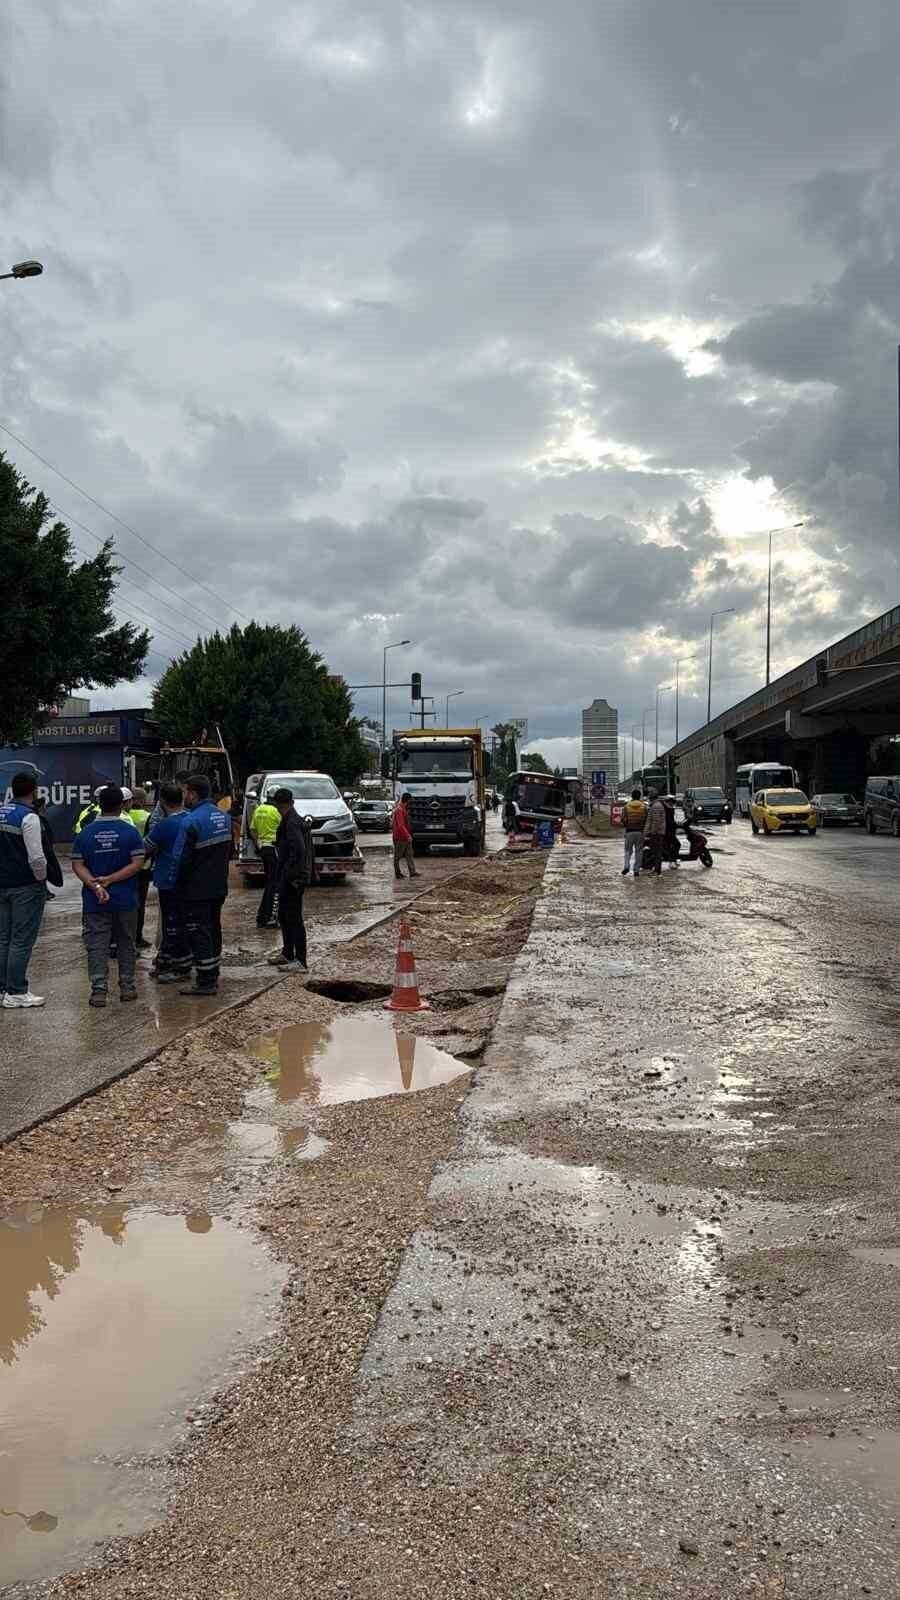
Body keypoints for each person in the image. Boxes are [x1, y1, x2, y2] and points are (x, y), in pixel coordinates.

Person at [71, 785, 146, 1008]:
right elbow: (138, 863)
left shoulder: (86, 833)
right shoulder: (130, 832)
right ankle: (127, 987)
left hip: (95, 900)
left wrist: (95, 885)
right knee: (126, 942)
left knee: (97, 944)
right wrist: (111, 879)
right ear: (122, 805)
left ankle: (99, 991)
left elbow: (77, 865)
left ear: (99, 804)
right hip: (125, 899)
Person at [171, 775, 232, 996]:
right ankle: (213, 972)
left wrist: (176, 885)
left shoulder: (190, 821)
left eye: (186, 792)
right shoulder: (224, 817)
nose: (184, 796)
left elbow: (180, 859)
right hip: (219, 886)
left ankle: (205, 981)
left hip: (196, 889)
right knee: (214, 928)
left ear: (193, 794)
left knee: (199, 931)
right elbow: (230, 853)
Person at [0, 771, 48, 1009]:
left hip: (2, 885)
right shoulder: (29, 817)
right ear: (34, 791)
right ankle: (17, 991)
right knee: (21, 940)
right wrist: (41, 879)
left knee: (3, 938)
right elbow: (37, 858)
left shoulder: (1, 812)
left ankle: (2, 989)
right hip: (24, 886)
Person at [146, 783, 191, 985]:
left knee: (172, 924)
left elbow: (145, 847)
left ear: (162, 801)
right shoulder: (191, 819)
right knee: (182, 922)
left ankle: (180, 966)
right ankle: (166, 959)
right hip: (188, 880)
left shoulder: (164, 825)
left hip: (168, 880)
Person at [267, 787, 315, 970]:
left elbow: (299, 852)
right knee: (284, 916)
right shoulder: (291, 819)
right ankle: (287, 953)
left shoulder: (292, 823)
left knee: (294, 918)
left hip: (293, 879)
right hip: (292, 876)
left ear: (277, 804)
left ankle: (300, 960)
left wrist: (288, 875)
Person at [250, 791, 281, 929]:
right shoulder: (276, 811)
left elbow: (252, 829)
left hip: (264, 849)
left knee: (270, 883)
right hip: (274, 849)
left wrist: (258, 843)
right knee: (275, 884)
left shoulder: (258, 809)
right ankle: (270, 917)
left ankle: (262, 917)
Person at [128, 787, 153, 949]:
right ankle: (137, 937)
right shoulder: (147, 817)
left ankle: (124, 937)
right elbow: (151, 842)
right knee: (140, 903)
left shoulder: (124, 815)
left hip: (125, 867)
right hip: (144, 866)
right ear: (143, 800)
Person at [32, 796, 64, 900]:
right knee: (41, 870)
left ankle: (44, 890)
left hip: (44, 850)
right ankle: (42, 891)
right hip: (41, 851)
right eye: (44, 806)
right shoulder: (36, 820)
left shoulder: (41, 820)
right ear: (41, 808)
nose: (46, 808)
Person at [621, 788, 648, 878]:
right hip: (640, 832)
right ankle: (636, 870)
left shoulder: (626, 806)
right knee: (639, 851)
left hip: (629, 831)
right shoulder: (644, 807)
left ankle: (626, 866)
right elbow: (646, 819)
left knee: (627, 850)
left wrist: (627, 825)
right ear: (639, 796)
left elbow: (623, 819)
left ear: (632, 796)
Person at [392, 792, 419, 880]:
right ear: (408, 801)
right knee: (398, 856)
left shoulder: (403, 809)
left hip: (405, 836)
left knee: (409, 855)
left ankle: (412, 872)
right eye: (410, 801)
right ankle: (398, 873)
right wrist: (408, 836)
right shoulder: (399, 810)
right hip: (400, 837)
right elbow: (400, 826)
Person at [643, 788, 667, 876]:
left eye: (649, 794)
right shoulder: (655, 805)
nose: (648, 796)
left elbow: (655, 822)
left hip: (657, 833)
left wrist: (652, 832)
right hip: (657, 833)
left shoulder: (656, 806)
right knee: (656, 852)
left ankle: (657, 871)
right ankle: (656, 870)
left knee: (657, 853)